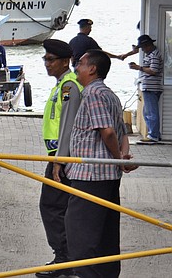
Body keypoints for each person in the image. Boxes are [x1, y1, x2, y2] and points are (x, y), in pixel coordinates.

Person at [64, 50, 136, 278]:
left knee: (80, 234)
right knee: (105, 235)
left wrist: (117, 158)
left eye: (81, 63)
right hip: (108, 176)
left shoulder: (93, 93)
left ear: (92, 69)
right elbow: (123, 133)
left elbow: (108, 132)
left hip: (90, 176)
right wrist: (122, 157)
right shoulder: (111, 95)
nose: (76, 67)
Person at [36, 39, 83, 277]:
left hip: (63, 157)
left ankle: (65, 260)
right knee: (59, 207)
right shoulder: (61, 85)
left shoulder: (69, 86)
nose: (46, 63)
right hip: (59, 155)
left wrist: (59, 160)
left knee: (52, 206)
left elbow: (68, 125)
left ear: (65, 61)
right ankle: (66, 260)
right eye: (45, 59)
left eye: (50, 59)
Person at [129, 34, 163, 143]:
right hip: (148, 86)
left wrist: (138, 68)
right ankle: (153, 134)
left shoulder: (154, 55)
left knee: (151, 113)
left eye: (142, 47)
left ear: (147, 45)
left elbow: (154, 70)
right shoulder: (151, 54)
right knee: (147, 112)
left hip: (152, 87)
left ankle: (153, 136)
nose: (142, 50)